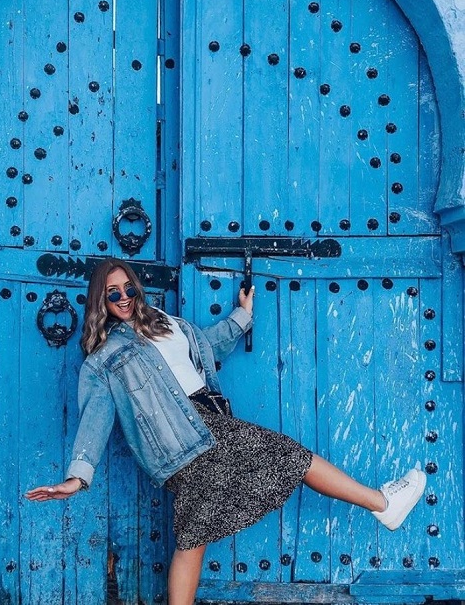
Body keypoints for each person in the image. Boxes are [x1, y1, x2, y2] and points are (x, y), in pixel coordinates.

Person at [26, 258, 426, 605]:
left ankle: (383, 505)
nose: (124, 297)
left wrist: (242, 316)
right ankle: (382, 503)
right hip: (179, 441)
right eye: (113, 293)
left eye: (128, 287)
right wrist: (77, 477)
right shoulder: (105, 358)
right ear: (101, 300)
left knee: (194, 535)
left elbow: (207, 347)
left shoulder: (166, 322)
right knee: (290, 457)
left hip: (209, 419)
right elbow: (95, 417)